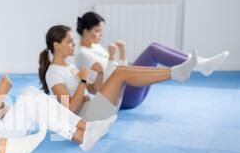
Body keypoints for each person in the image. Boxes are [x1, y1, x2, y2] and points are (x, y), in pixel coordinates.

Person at [0, 45, 117, 153]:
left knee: (30, 93)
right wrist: (0, 96)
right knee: (29, 102)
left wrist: (2, 101)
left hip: (2, 134)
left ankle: (84, 129)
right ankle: (81, 135)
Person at [39, 25, 198, 122]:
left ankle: (176, 72)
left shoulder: (70, 66)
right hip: (87, 116)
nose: (74, 44)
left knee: (121, 71)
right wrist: (82, 81)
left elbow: (95, 90)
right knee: (121, 72)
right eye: (69, 41)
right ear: (56, 45)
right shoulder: (53, 73)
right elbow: (71, 109)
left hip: (95, 106)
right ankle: (176, 73)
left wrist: (99, 75)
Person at [74, 11, 229, 109]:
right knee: (153, 50)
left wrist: (122, 53)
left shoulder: (96, 47)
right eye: (97, 31)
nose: (100, 35)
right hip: (120, 98)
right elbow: (102, 84)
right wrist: (110, 58)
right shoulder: (82, 54)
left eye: (102, 31)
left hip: (130, 92)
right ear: (86, 31)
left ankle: (201, 63)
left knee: (154, 47)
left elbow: (121, 70)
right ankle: (201, 66)